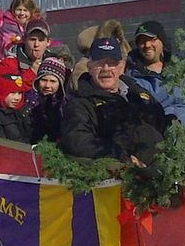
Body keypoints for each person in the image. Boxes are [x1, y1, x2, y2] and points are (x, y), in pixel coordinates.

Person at [60, 35, 169, 164]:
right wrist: (120, 156)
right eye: (99, 63)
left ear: (121, 67)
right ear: (89, 68)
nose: (106, 69)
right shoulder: (80, 104)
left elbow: (160, 122)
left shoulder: (138, 94)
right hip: (123, 176)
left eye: (111, 63)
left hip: (161, 169)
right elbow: (77, 140)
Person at [126, 20, 185, 130]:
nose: (147, 45)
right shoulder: (133, 78)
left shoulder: (182, 66)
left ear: (162, 40)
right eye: (142, 41)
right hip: (161, 138)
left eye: (151, 39)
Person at [29, 55, 71, 142]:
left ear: (60, 84)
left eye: (53, 81)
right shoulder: (28, 101)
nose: (47, 86)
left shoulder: (65, 107)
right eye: (44, 80)